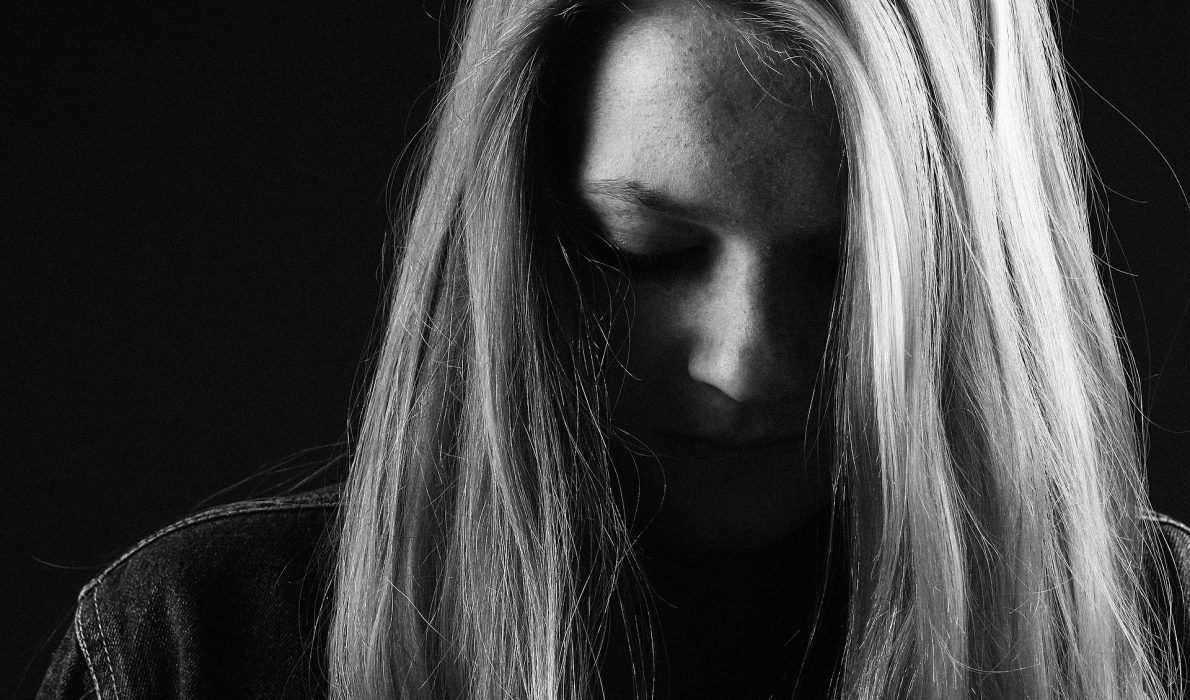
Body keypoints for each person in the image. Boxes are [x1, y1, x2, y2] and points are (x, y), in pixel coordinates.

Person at [36, 0, 1190, 698]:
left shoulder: (1163, 634)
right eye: (641, 250)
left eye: (848, 271)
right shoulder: (197, 650)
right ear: (509, 233)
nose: (748, 366)